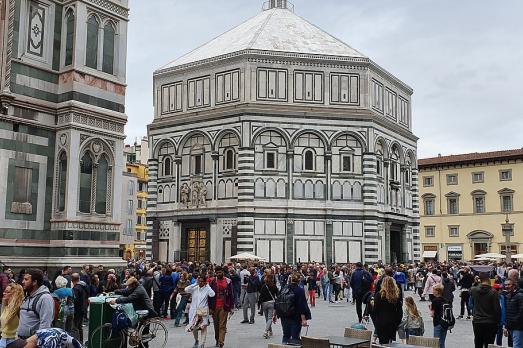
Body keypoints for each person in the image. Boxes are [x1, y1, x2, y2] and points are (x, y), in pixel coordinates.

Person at [273, 273, 311, 346]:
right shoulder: (299, 290)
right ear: (299, 280)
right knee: (295, 337)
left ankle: (284, 346)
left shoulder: (284, 288)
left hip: (284, 315)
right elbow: (302, 305)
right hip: (295, 316)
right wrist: (303, 319)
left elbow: (277, 301)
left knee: (285, 335)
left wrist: (274, 314)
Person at [17, 269, 55, 339]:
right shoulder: (27, 296)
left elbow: (45, 325)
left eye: (26, 279)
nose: (22, 282)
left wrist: (35, 342)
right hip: (21, 340)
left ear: (34, 282)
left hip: (33, 342)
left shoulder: (45, 298)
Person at [470, 272, 501, 348]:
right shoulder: (493, 292)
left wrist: (476, 283)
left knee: (478, 342)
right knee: (489, 343)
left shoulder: (474, 290)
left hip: (477, 320)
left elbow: (470, 290)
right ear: (488, 279)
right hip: (490, 321)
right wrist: (498, 321)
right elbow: (497, 309)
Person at [185, 275, 215, 348]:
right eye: (199, 281)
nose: (200, 283)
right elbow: (186, 289)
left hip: (203, 310)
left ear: (205, 282)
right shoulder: (195, 288)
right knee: (194, 327)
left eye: (202, 281)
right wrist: (195, 283)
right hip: (194, 311)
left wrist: (207, 286)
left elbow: (212, 294)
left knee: (203, 327)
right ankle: (196, 340)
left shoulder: (207, 289)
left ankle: (202, 344)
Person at [209, 266, 235, 348]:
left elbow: (231, 294)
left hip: (224, 306)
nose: (218, 274)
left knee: (222, 325)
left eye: (220, 272)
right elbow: (209, 295)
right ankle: (217, 339)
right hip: (214, 306)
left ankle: (221, 342)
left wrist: (231, 307)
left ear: (223, 272)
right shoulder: (213, 282)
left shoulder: (228, 281)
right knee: (216, 325)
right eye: (217, 273)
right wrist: (210, 307)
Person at [372, 276, 403, 344]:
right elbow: (400, 312)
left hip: (381, 322)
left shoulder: (379, 295)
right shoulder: (396, 295)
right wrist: (397, 322)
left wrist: (376, 322)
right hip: (392, 322)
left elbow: (374, 310)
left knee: (383, 342)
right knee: (389, 342)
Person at [0, 283, 24, 348]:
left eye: (7, 292)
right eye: (4, 291)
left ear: (14, 294)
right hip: (3, 339)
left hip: (14, 341)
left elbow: (23, 324)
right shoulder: (6, 305)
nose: (4, 293)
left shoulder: (19, 308)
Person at [258, 269, 279, 339]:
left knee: (267, 318)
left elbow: (261, 296)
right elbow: (278, 295)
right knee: (269, 318)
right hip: (271, 303)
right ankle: (266, 332)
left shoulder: (264, 286)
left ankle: (270, 331)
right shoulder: (274, 286)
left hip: (264, 304)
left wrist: (259, 305)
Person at [504, 278, 523, 348]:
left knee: (517, 346)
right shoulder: (508, 296)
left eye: (509, 284)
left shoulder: (520, 296)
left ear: (514, 285)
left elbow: (521, 312)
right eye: (505, 285)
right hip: (511, 326)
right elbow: (508, 313)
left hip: (518, 327)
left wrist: (512, 322)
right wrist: (506, 326)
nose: (507, 286)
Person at [70, 273, 88, 343]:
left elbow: (75, 299)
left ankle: (77, 343)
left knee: (75, 327)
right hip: (83, 308)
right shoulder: (84, 285)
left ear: (72, 280)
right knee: (79, 327)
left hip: (77, 309)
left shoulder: (76, 288)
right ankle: (81, 341)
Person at [430, 284, 447, 348]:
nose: (433, 292)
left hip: (437, 322)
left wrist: (430, 309)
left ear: (437, 291)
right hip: (445, 322)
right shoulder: (445, 300)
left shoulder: (434, 301)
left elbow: (432, 314)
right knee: (442, 343)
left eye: (433, 290)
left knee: (436, 343)